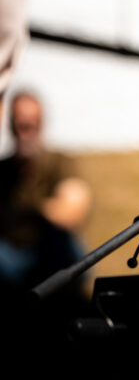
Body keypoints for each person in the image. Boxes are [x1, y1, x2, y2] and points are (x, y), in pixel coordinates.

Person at [0, 91, 92, 296]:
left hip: (50, 252)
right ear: (10, 126)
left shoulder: (59, 162)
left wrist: (30, 210)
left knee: (64, 241)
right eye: (20, 125)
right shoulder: (4, 170)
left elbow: (72, 212)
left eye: (32, 124)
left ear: (41, 124)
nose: (26, 132)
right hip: (10, 258)